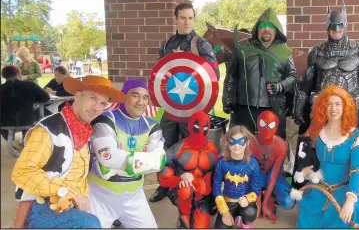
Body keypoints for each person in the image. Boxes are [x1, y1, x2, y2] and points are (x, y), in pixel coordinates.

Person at [10, 75, 126, 228]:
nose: (96, 107)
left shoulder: (84, 131)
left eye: (103, 103)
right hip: (40, 204)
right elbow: (22, 172)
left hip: (68, 205)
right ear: (77, 96)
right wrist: (67, 192)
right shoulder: (47, 130)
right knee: (89, 223)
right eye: (92, 98)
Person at [149, 2, 220, 204]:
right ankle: (165, 184)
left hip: (194, 108)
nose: (187, 22)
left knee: (195, 149)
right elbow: (161, 74)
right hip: (172, 106)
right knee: (164, 146)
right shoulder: (166, 45)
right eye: (183, 18)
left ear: (194, 19)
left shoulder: (201, 44)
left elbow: (213, 74)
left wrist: (194, 73)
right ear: (176, 18)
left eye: (190, 18)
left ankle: (199, 189)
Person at [87, 79, 166, 228]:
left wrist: (115, 167)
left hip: (134, 196)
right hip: (100, 196)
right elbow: (108, 157)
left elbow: (159, 161)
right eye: (135, 95)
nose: (141, 102)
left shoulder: (153, 125)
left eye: (145, 97)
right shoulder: (105, 119)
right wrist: (144, 162)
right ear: (124, 96)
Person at [294, 0, 359, 133]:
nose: (336, 30)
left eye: (340, 26)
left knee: (349, 142)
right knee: (320, 142)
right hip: (323, 107)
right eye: (332, 27)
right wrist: (298, 109)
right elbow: (307, 83)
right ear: (327, 27)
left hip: (350, 107)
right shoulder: (317, 51)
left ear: (345, 26)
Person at [296, 86, 359, 228]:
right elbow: (303, 160)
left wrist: (350, 199)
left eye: (338, 104)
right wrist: (306, 170)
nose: (333, 108)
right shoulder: (315, 131)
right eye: (329, 104)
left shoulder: (355, 136)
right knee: (307, 214)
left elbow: (357, 170)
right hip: (318, 190)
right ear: (323, 107)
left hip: (344, 192)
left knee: (350, 214)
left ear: (345, 107)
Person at [223, 8, 297, 139]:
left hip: (273, 108)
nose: (266, 29)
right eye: (263, 26)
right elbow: (231, 74)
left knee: (271, 148)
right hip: (243, 108)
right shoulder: (242, 48)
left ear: (276, 29)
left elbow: (292, 76)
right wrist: (227, 100)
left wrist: (280, 86)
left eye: (270, 26)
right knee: (241, 146)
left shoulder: (285, 52)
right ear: (257, 28)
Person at [158, 111, 219, 228]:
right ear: (190, 126)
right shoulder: (179, 147)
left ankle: (202, 209)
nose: (200, 130)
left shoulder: (212, 149)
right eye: (197, 127)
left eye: (204, 127)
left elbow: (217, 173)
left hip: (203, 193)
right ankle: (183, 214)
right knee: (184, 189)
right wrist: (179, 179)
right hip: (183, 191)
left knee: (201, 226)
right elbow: (162, 171)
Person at [249, 111, 295, 223]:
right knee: (250, 210)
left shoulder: (281, 145)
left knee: (289, 202)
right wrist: (259, 203)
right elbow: (252, 174)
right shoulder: (250, 143)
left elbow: (273, 175)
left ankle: (270, 196)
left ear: (276, 126)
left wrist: (266, 202)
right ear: (258, 124)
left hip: (273, 176)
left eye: (271, 125)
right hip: (255, 177)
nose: (267, 129)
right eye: (263, 124)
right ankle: (263, 195)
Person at [213, 125, 261, 229]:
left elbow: (256, 189)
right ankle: (233, 216)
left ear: (247, 143)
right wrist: (224, 212)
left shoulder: (252, 163)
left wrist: (247, 199)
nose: (236, 145)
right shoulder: (222, 162)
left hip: (245, 203)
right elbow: (216, 188)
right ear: (227, 143)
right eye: (233, 141)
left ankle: (245, 222)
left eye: (240, 141)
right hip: (228, 201)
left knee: (249, 212)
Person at [0, 65, 49, 143]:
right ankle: (25, 138)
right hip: (27, 120)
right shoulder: (30, 85)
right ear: (18, 74)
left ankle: (9, 138)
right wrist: (33, 99)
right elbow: (46, 98)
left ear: (3, 75)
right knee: (30, 112)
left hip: (4, 122)